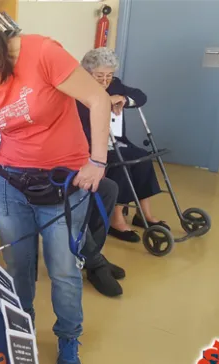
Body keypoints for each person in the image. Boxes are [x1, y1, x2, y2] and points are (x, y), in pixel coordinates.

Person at [0, 5, 112, 364]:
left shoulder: (42, 53)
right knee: (18, 270)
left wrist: (97, 162)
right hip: (11, 184)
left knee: (63, 269)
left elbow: (97, 98)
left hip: (64, 183)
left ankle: (68, 336)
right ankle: (23, 332)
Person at [78, 47, 168, 243]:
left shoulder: (115, 85)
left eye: (109, 75)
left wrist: (125, 99)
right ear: (87, 73)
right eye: (99, 75)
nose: (105, 80)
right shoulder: (79, 89)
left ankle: (144, 214)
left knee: (142, 157)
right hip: (91, 145)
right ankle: (116, 219)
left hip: (117, 141)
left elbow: (141, 96)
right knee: (121, 162)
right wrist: (103, 102)